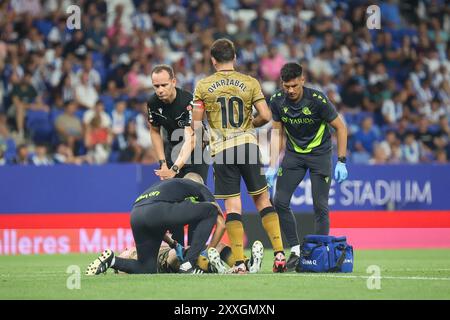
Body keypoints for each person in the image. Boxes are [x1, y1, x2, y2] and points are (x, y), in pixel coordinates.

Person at [191, 38, 287, 273]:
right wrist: (247, 125)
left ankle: (240, 262)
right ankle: (280, 254)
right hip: (247, 145)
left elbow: (196, 123)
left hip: (222, 149)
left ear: (212, 60)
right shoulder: (250, 82)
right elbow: (265, 116)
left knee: (233, 205)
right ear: (234, 57)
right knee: (263, 200)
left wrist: (205, 138)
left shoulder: (203, 86)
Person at [266, 62, 348, 271]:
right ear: (282, 84)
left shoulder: (317, 100)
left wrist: (341, 161)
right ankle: (294, 250)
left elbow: (341, 127)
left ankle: (320, 254)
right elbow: (277, 133)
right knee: (279, 201)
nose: (291, 90)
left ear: (302, 80)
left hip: (320, 155)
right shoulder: (276, 100)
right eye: (287, 86)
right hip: (294, 156)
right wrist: (272, 165)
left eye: (294, 85)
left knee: (320, 206)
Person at [85, 173, 225, 275]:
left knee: (146, 268)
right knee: (211, 209)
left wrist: (173, 244)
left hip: (136, 213)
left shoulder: (168, 186)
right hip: (157, 209)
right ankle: (189, 264)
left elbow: (158, 221)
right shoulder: (200, 187)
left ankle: (112, 260)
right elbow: (221, 224)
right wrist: (207, 251)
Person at [148, 64, 210, 243]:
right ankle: (178, 251)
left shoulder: (187, 102)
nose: (160, 90)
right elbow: (154, 131)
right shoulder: (152, 103)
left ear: (173, 82)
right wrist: (163, 163)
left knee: (194, 198)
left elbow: (191, 138)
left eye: (164, 85)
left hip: (196, 150)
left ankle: (193, 251)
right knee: (173, 200)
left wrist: (174, 168)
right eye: (156, 86)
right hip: (173, 149)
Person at [116, 238, 265, 275]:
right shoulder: (128, 262)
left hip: (174, 252)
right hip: (166, 262)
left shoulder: (138, 245)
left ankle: (245, 264)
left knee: (220, 245)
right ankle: (213, 266)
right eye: (122, 252)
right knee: (181, 254)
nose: (125, 249)